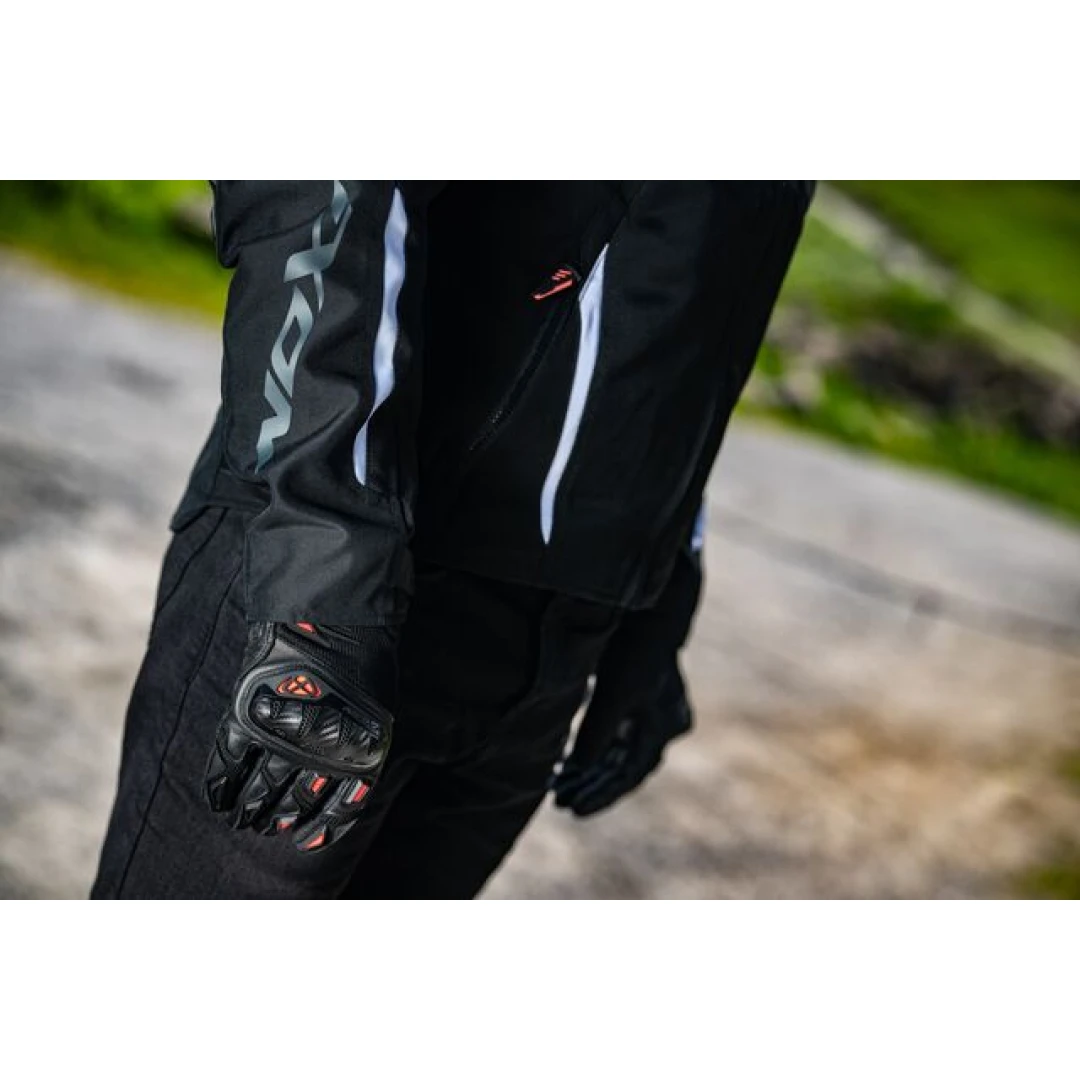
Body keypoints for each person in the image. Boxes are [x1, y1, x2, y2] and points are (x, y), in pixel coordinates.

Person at [91, 181, 813, 899]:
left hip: (554, 646)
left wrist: (656, 600)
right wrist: (320, 572)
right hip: (349, 599)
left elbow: (703, 305)